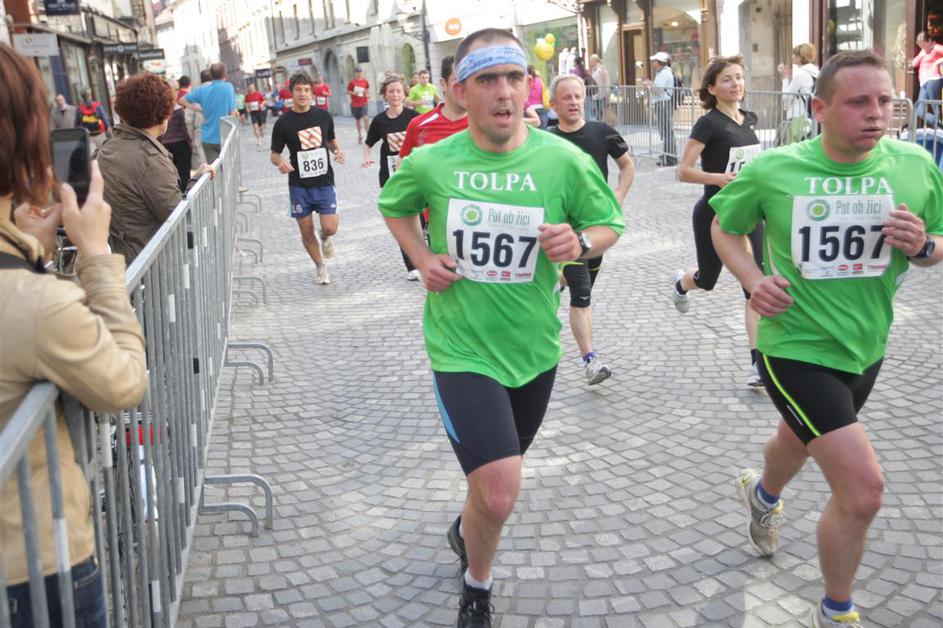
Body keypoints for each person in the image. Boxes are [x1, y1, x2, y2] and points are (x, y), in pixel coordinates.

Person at [378, 29, 624, 628]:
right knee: (498, 489)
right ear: (461, 91)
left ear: (528, 87)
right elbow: (394, 205)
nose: (504, 91)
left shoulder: (562, 160)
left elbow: (609, 223)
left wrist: (579, 242)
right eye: (487, 79)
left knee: (493, 481)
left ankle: (466, 531)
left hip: (534, 350)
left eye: (514, 77)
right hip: (461, 349)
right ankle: (477, 588)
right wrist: (421, 257)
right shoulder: (432, 161)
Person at [711, 50, 943, 628]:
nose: (877, 114)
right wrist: (752, 280)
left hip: (866, 346)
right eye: (859, 102)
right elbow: (724, 227)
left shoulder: (915, 165)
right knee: (864, 490)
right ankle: (836, 611)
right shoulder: (774, 169)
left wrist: (922, 246)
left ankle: (762, 495)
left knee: (797, 438)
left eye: (885, 101)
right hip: (793, 345)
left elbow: (937, 244)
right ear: (819, 108)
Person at [0, 42, 147, 628]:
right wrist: (95, 253)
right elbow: (123, 381)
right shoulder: (31, 302)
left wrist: (27, 247)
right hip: (33, 567)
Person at [671, 55, 765, 387]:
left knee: (754, 286)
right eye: (727, 79)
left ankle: (758, 364)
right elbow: (683, 171)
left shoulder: (748, 119)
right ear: (712, 88)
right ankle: (682, 283)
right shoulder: (707, 124)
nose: (736, 83)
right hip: (715, 212)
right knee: (708, 280)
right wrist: (718, 178)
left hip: (748, 212)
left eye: (739, 77)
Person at [548, 73, 633, 386]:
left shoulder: (602, 132)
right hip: (565, 230)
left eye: (577, 96)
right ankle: (590, 360)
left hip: (597, 229)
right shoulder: (547, 140)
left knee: (578, 285)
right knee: (582, 296)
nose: (573, 102)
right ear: (554, 104)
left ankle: (553, 284)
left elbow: (627, 166)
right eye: (566, 98)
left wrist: (618, 197)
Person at [99, 73, 213, 263]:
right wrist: (197, 180)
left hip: (123, 257)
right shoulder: (150, 160)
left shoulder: (107, 148)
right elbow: (178, 215)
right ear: (163, 113)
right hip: (150, 262)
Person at [271, 71, 346, 286]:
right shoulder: (283, 123)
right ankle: (320, 267)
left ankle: (325, 237)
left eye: (306, 90)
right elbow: (274, 154)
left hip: (324, 182)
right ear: (291, 92)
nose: (303, 94)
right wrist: (281, 162)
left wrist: (337, 151)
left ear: (312, 93)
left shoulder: (323, 116)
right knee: (305, 229)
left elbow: (331, 140)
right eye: (298, 90)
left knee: (330, 227)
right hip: (299, 185)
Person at [397, 55, 468, 280]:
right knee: (449, 283)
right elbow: (403, 168)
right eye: (458, 80)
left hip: (483, 216)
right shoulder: (420, 125)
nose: (465, 87)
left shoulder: (486, 123)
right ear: (443, 84)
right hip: (439, 221)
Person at [361, 75, 419, 207]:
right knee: (395, 209)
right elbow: (368, 143)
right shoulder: (379, 120)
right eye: (391, 91)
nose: (395, 95)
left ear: (404, 94)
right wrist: (367, 158)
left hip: (413, 170)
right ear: (385, 95)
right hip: (390, 172)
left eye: (398, 91)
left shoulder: (414, 118)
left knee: (416, 209)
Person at [180, 63, 238, 164]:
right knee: (228, 169)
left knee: (215, 170)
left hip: (207, 138)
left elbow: (182, 100)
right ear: (224, 74)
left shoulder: (202, 90)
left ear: (211, 75)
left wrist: (198, 109)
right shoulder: (228, 87)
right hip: (225, 136)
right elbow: (233, 112)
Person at [776, 43, 820, 145]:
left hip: (798, 118)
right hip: (810, 119)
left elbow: (786, 98)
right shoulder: (816, 72)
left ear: (800, 58)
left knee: (789, 147)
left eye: (794, 54)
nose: (792, 56)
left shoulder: (800, 74)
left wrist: (785, 79)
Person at [159, 77, 194, 194]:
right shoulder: (179, 110)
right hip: (181, 145)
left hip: (165, 146)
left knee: (171, 176)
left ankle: (176, 196)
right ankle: (185, 197)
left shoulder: (159, 109)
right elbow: (185, 130)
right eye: (176, 89)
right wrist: (190, 144)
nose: (178, 92)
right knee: (184, 174)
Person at [643, 52, 678, 166]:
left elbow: (658, 91)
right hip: (662, 103)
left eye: (654, 61)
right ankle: (668, 155)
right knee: (666, 131)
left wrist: (649, 85)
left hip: (663, 103)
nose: (653, 63)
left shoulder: (664, 73)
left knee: (666, 131)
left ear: (659, 62)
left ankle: (670, 158)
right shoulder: (663, 73)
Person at [912, 32, 943, 127]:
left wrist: (939, 61)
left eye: (924, 45)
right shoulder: (923, 52)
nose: (923, 47)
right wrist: (922, 54)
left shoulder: (936, 48)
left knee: (935, 107)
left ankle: (939, 131)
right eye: (920, 45)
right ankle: (940, 126)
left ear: (929, 41)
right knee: (920, 111)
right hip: (923, 82)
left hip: (933, 79)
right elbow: (914, 64)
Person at [181, 72, 208, 169]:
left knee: (204, 166)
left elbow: (188, 120)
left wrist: (191, 138)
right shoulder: (219, 91)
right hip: (218, 134)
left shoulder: (195, 93)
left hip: (199, 133)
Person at [75, 88, 111, 153]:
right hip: (99, 135)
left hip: (88, 136)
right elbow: (105, 119)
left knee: (92, 155)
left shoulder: (79, 108)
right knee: (104, 153)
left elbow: (76, 124)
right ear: (90, 95)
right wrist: (109, 130)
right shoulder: (97, 106)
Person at [347, 65, 371, 143]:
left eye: (360, 72)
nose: (359, 74)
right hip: (355, 104)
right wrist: (354, 93)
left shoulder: (365, 81)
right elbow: (348, 91)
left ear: (362, 73)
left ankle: (368, 135)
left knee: (366, 118)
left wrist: (368, 95)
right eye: (357, 72)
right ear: (355, 73)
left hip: (364, 103)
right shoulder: (352, 82)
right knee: (358, 120)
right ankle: (360, 135)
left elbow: (367, 90)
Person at [589, 53, 610, 121]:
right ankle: (598, 121)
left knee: (600, 109)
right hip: (595, 93)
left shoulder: (602, 69)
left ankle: (599, 121)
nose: (590, 63)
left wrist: (607, 92)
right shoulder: (594, 69)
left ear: (594, 61)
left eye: (591, 61)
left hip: (601, 93)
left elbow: (606, 81)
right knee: (596, 109)